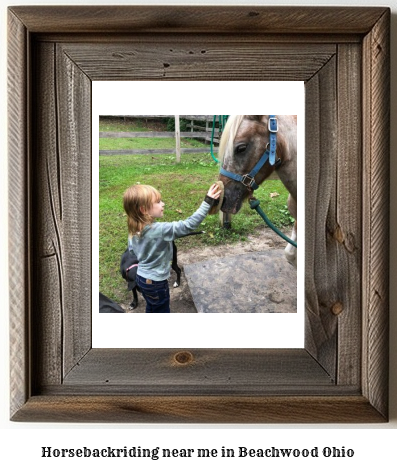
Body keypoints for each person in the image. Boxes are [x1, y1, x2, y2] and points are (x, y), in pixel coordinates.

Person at [123, 183, 222, 313]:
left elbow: (132, 251)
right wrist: (208, 201)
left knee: (152, 307)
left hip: (141, 278)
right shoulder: (160, 230)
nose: (163, 204)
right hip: (156, 283)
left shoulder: (134, 230)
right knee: (162, 310)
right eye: (158, 202)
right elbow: (189, 225)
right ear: (143, 210)